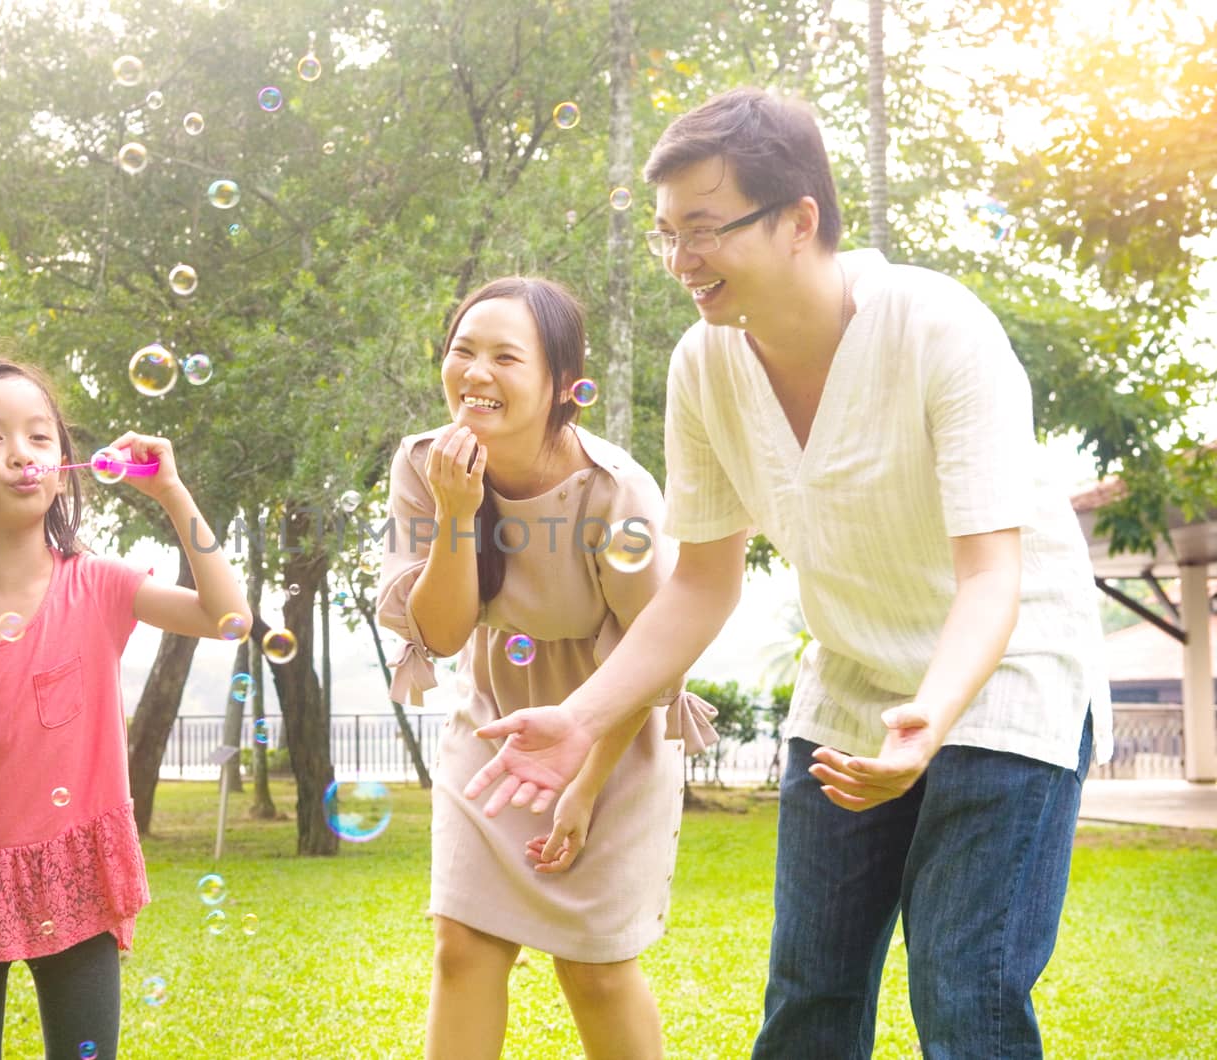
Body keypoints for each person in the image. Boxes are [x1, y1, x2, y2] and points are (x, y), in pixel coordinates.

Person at [462, 88, 1112, 1059]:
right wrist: (584, 714)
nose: (681, 259)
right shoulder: (704, 366)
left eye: (705, 229)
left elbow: (990, 580)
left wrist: (928, 723)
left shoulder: (940, 330)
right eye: (665, 233)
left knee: (963, 991)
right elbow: (699, 586)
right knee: (808, 994)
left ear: (800, 218)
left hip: (1004, 672)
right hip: (853, 679)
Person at [0, 357, 249, 1059]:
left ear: (64, 464)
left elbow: (230, 618)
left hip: (75, 868)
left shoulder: (96, 585)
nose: (23, 454)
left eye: (41, 438)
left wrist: (172, 493)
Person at [377, 276, 717, 1060]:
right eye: (463, 350)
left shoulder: (615, 491)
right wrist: (457, 514)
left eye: (506, 356)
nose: (476, 372)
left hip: (615, 727)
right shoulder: (426, 466)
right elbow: (440, 631)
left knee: (592, 971)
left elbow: (652, 644)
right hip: (497, 725)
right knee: (461, 947)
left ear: (564, 386)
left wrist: (583, 788)